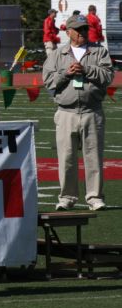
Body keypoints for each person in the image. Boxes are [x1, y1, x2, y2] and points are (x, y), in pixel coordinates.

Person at [42, 14, 112, 211]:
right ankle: (67, 198)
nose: (83, 32)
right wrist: (67, 73)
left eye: (85, 28)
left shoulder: (99, 51)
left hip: (92, 111)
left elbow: (107, 76)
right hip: (66, 112)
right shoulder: (57, 54)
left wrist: (86, 69)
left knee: (94, 157)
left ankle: (95, 197)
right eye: (79, 29)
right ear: (68, 32)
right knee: (66, 158)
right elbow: (48, 80)